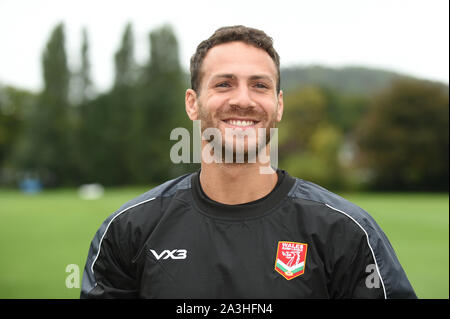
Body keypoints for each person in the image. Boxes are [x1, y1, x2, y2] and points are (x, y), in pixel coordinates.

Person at [80, 25, 417, 299]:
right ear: (192, 103)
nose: (243, 100)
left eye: (259, 85)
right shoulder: (129, 231)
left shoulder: (346, 232)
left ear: (278, 105)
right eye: (224, 84)